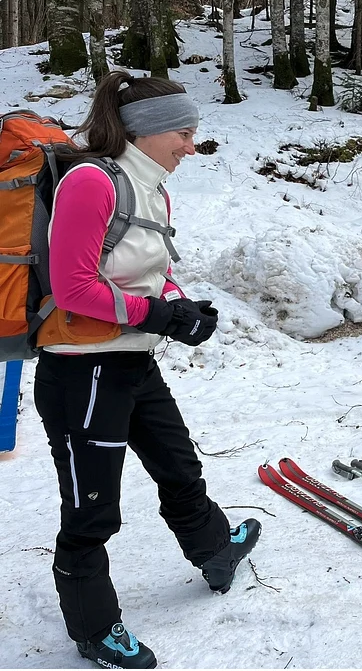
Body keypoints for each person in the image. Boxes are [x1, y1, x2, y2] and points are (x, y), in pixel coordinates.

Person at [34, 71, 260, 669]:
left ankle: (215, 547)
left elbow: (146, 270)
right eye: (184, 133)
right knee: (92, 507)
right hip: (81, 371)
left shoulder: (152, 186)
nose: (192, 145)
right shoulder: (91, 181)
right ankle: (93, 628)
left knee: (179, 466)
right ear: (146, 131)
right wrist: (156, 314)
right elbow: (73, 286)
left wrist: (178, 306)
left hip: (131, 361)